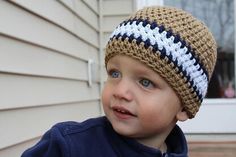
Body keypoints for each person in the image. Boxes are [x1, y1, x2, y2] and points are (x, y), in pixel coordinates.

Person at [21, 6, 217, 157]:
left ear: (183, 108)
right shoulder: (69, 146)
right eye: (115, 74)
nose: (121, 91)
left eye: (145, 82)